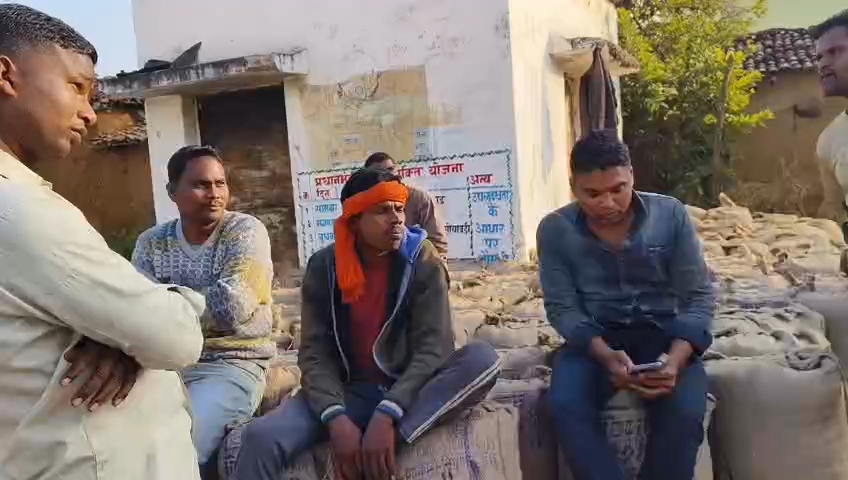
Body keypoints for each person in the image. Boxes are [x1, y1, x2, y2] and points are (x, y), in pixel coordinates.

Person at [0, 4, 206, 479]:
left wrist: (121, 331)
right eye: (77, 86)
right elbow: (174, 336)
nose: (90, 113)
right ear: (6, 76)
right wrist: (142, 327)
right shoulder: (18, 210)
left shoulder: (242, 232)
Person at [220, 168, 500, 480]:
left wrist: (388, 415)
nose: (396, 219)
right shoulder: (325, 266)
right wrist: (336, 418)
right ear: (354, 220)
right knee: (259, 439)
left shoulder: (422, 258)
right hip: (349, 391)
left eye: (399, 209)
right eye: (382, 211)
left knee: (482, 359)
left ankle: (386, 444)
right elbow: (315, 353)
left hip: (411, 388)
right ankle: (369, 439)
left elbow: (433, 349)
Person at [537, 129, 714, 480]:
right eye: (592, 194)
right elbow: (562, 308)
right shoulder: (555, 229)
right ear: (573, 187)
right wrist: (604, 354)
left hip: (664, 334)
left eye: (618, 189)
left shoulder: (670, 215)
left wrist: (676, 360)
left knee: (684, 415)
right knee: (566, 406)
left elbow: (697, 296)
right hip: (594, 340)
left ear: (632, 175)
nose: (607, 203)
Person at [131, 145, 276, 477]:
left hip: (231, 364)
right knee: (119, 437)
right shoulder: (152, 243)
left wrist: (163, 304)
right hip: (164, 365)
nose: (214, 194)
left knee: (179, 445)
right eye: (201, 185)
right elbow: (136, 310)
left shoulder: (245, 231)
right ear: (172, 192)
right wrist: (156, 311)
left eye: (220, 183)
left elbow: (233, 306)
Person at [364, 152, 449, 258]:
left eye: (390, 169)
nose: (389, 175)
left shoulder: (419, 198)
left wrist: (434, 266)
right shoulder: (363, 202)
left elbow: (437, 243)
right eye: (380, 172)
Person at [814, 10, 848, 235]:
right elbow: (835, 209)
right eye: (819, 57)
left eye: (835, 52)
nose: (823, 64)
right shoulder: (828, 140)